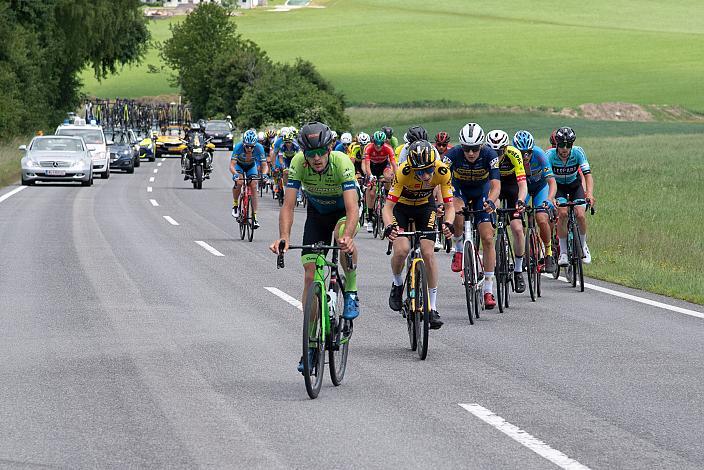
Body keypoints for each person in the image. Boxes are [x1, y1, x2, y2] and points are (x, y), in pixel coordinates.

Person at [269, 122, 360, 373]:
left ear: (330, 148)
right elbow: (288, 205)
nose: (317, 158)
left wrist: (349, 237)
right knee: (310, 275)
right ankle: (310, 345)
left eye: (321, 152)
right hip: (317, 215)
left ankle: (351, 292)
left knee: (342, 238)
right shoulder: (297, 163)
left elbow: (353, 208)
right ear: (304, 154)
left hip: (343, 213)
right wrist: (283, 237)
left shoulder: (341, 163)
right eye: (311, 154)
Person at [383, 140, 455, 329]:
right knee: (402, 249)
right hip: (402, 208)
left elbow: (449, 205)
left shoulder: (442, 171)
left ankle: (432, 307)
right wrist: (390, 226)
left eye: (428, 170)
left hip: (425, 206)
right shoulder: (403, 172)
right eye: (420, 171)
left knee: (428, 252)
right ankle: (398, 284)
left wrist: (448, 223)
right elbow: (388, 207)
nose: (425, 175)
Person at [445, 123, 501, 309]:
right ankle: (459, 249)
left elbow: (495, 185)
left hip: (481, 192)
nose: (471, 153)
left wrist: (491, 202)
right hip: (459, 190)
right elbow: (441, 181)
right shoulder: (452, 155)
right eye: (467, 149)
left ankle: (488, 289)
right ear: (461, 146)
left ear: (481, 146)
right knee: (458, 212)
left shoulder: (490, 155)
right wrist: (443, 202)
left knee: (487, 238)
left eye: (475, 149)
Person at [486, 129, 528, 293]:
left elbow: (522, 184)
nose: (497, 154)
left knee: (517, 229)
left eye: (500, 151)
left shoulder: (513, 154)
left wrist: (521, 201)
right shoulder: (486, 156)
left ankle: (518, 270)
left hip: (511, 186)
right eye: (493, 151)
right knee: (491, 212)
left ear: (506, 148)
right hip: (494, 186)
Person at [546, 127, 595, 265]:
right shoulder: (549, 155)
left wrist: (589, 193)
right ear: (557, 144)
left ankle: (583, 245)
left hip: (575, 185)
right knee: (562, 214)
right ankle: (563, 253)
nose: (565, 149)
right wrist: (551, 198)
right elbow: (547, 180)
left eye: (568, 145)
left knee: (580, 214)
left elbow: (588, 175)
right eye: (561, 145)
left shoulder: (578, 152)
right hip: (558, 187)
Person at [513, 130, 557, 273]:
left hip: (540, 188)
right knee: (518, 220)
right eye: (522, 153)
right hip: (522, 189)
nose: (525, 156)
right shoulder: (512, 158)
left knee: (541, 217)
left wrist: (549, 199)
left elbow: (551, 182)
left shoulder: (539, 155)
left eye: (528, 152)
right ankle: (526, 251)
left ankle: (548, 253)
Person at [230, 129, 268, 228]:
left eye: (252, 147)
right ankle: (235, 205)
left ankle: (254, 217)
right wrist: (235, 174)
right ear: (243, 144)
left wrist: (264, 174)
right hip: (239, 166)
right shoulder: (238, 147)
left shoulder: (259, 148)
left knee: (254, 185)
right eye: (247, 146)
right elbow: (232, 165)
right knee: (239, 182)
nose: (249, 149)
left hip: (251, 166)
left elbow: (265, 165)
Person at [362, 130, 397, 232]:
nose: (378, 146)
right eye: (376, 143)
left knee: (388, 177)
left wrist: (397, 175)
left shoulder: (388, 148)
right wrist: (370, 176)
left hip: (383, 166)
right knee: (371, 190)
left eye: (380, 143)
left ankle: (386, 195)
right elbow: (367, 166)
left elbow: (394, 164)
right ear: (373, 141)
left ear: (384, 142)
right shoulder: (368, 148)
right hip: (372, 167)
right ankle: (369, 217)